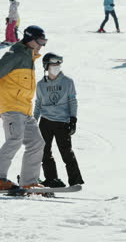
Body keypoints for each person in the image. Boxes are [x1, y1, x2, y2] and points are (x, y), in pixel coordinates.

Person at [0, 25, 47, 190]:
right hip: (11, 106)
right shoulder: (15, 55)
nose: (41, 45)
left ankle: (29, 181)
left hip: (25, 109)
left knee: (37, 143)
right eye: (39, 41)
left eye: (44, 42)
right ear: (30, 39)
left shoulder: (30, 58)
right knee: (14, 139)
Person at [34, 53, 84, 187]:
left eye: (58, 65)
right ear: (46, 66)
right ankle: (52, 179)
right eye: (53, 65)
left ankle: (75, 180)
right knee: (44, 152)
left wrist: (73, 119)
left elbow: (72, 101)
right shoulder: (40, 85)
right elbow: (38, 104)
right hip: (45, 122)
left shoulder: (68, 82)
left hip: (62, 122)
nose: (56, 67)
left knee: (66, 152)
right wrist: (34, 121)